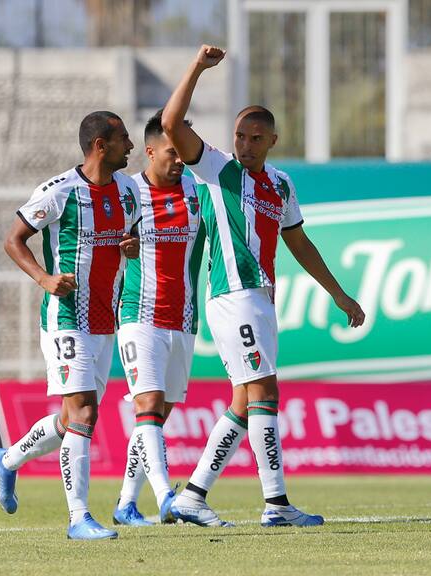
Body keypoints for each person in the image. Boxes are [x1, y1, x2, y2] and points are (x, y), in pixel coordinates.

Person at [161, 46, 366, 528]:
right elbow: (171, 123)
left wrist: (337, 293)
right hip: (234, 297)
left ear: (273, 140)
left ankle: (192, 496)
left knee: (242, 400)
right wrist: (196, 69)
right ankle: (276, 504)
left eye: (255, 138)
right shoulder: (216, 169)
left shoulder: (281, 185)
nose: (245, 144)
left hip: (260, 299)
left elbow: (299, 242)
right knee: (265, 390)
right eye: (239, 135)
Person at [0, 110, 141, 541]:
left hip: (104, 321)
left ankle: (8, 460)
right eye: (123, 138)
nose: (130, 146)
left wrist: (132, 245)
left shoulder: (128, 190)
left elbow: (131, 236)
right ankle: (78, 518)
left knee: (71, 417)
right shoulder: (58, 192)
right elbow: (12, 239)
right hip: (66, 317)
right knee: (86, 413)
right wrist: (45, 279)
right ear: (100, 146)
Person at [112, 110, 206, 527]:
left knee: (158, 414)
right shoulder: (128, 191)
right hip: (139, 314)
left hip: (183, 317)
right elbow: (102, 238)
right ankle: (168, 497)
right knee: (147, 406)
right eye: (171, 152)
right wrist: (121, 247)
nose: (180, 159)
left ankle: (126, 504)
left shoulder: (196, 191)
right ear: (149, 151)